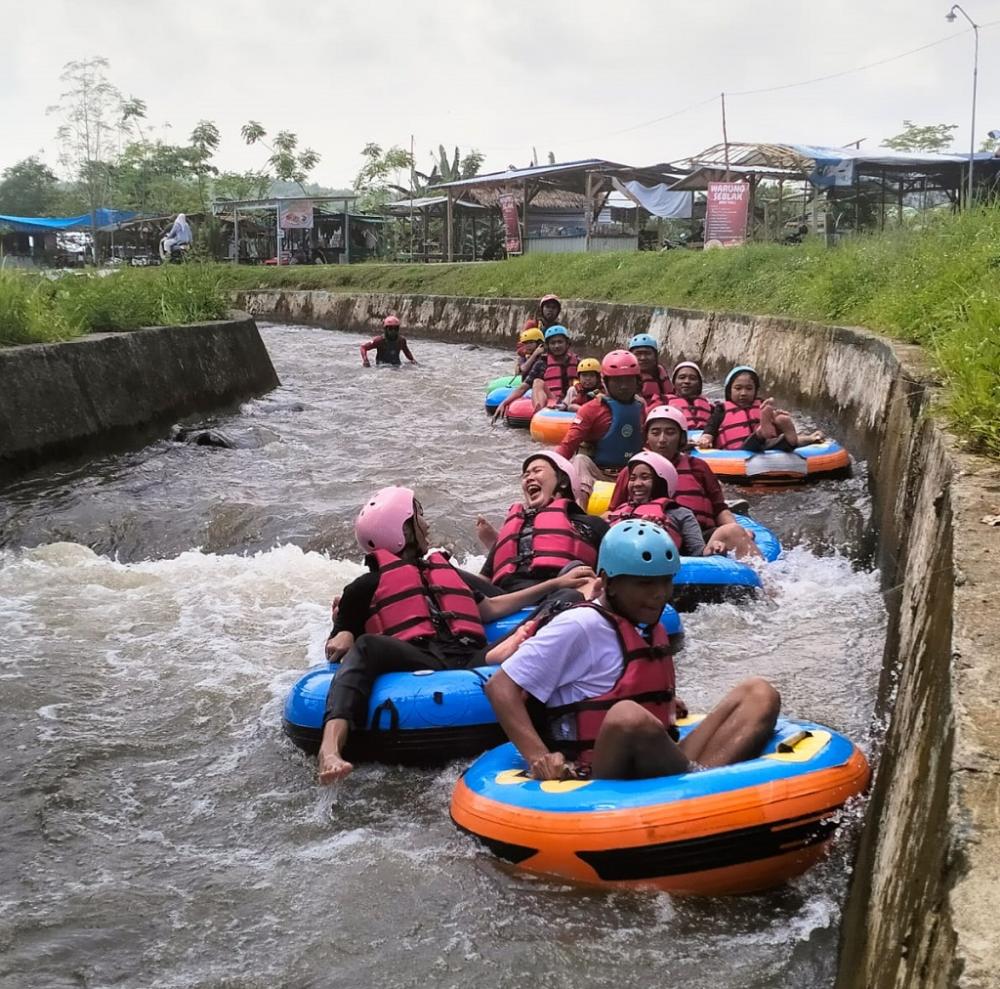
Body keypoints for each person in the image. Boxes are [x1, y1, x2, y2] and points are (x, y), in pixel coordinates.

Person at [317, 486, 596, 783]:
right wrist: (345, 633)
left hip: (471, 654)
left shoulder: (445, 570)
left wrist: (556, 585)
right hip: (417, 657)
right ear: (404, 531)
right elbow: (341, 637)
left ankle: (513, 648)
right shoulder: (362, 587)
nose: (426, 524)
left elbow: (492, 605)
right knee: (367, 644)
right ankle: (330, 748)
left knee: (565, 598)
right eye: (419, 517)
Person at [483, 520, 781, 780]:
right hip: (599, 775)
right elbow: (500, 687)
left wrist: (664, 703)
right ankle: (699, 785)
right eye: (644, 584)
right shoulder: (579, 624)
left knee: (759, 693)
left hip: (661, 763)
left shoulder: (649, 625)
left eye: (665, 582)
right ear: (608, 582)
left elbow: (617, 680)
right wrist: (539, 758)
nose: (659, 595)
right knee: (627, 716)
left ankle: (703, 786)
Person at [610, 405, 760, 558]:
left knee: (733, 531)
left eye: (670, 433)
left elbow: (720, 508)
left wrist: (739, 530)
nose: (662, 439)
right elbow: (613, 512)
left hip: (701, 536)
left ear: (681, 437)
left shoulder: (698, 467)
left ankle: (763, 578)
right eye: (655, 433)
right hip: (650, 537)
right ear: (647, 437)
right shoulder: (632, 472)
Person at [476, 451, 608, 593]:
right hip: (506, 600)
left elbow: (611, 578)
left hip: (561, 597)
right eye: (526, 475)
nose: (529, 478)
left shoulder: (592, 524)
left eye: (537, 471)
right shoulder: (511, 531)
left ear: (563, 482)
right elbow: (483, 581)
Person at [554, 350, 646, 506]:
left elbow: (648, 441)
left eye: (629, 380)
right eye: (617, 381)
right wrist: (549, 469)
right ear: (606, 382)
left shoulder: (641, 407)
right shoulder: (591, 409)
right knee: (580, 460)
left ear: (637, 381)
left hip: (631, 475)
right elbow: (568, 445)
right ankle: (578, 510)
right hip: (598, 473)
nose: (623, 386)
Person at [605, 451, 726, 556]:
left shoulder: (681, 514)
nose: (637, 483)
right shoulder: (619, 512)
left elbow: (698, 552)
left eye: (645, 477)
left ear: (661, 482)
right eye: (632, 478)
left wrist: (712, 549)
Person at [697, 366, 821, 452]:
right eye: (738, 388)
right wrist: (706, 438)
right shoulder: (721, 409)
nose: (743, 393)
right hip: (741, 451)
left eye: (749, 388)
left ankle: (780, 424)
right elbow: (710, 428)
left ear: (756, 390)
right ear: (729, 390)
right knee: (763, 441)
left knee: (784, 442)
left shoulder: (762, 405)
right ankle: (763, 432)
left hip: (765, 448)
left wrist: (811, 438)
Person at [494, 325, 579, 417]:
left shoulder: (578, 362)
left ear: (567, 344)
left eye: (560, 342)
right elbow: (524, 387)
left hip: (572, 401)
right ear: (548, 346)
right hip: (553, 400)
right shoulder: (541, 364)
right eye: (553, 343)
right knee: (537, 382)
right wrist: (504, 403)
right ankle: (541, 414)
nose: (556, 346)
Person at [628, 333, 673, 406]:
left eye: (647, 353)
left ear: (655, 356)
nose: (643, 358)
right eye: (638, 354)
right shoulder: (624, 377)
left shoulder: (660, 375)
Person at [667, 361, 714, 431]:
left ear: (699, 385)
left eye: (692, 378)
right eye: (682, 377)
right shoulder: (663, 403)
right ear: (674, 383)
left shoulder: (713, 409)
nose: (687, 381)